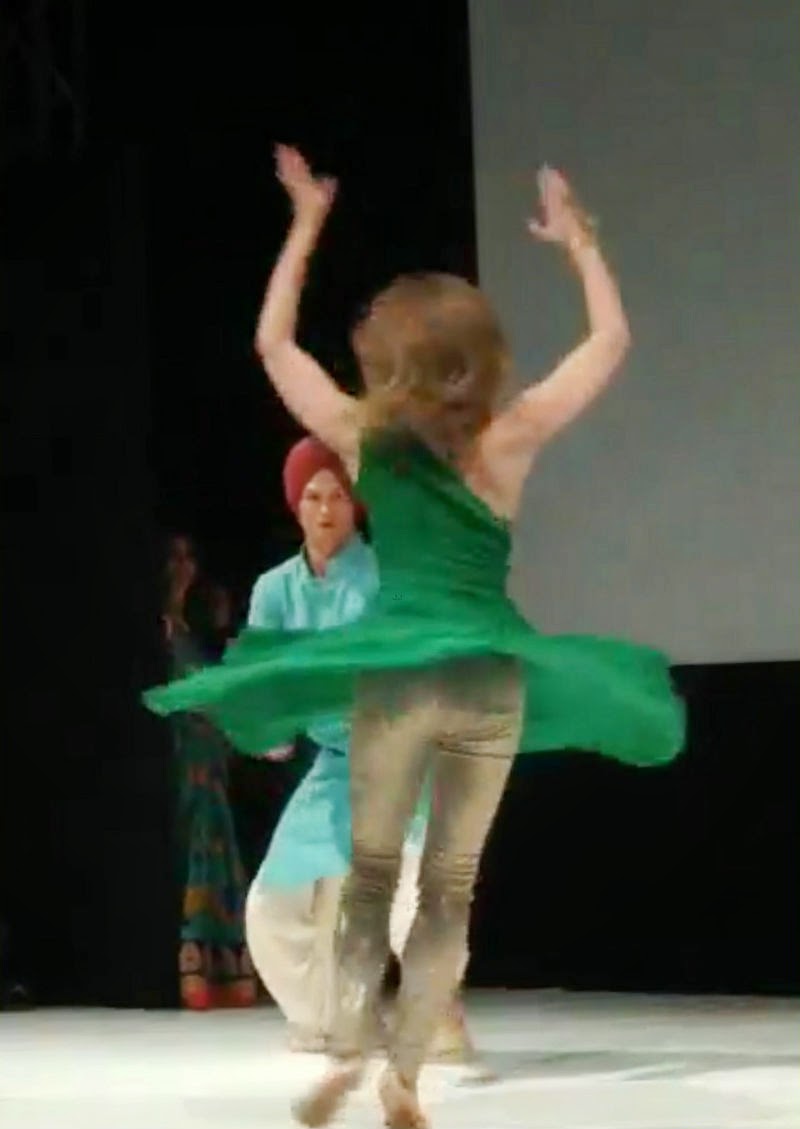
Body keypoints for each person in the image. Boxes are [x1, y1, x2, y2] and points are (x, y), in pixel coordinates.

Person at [145, 147, 684, 1127]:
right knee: (445, 887)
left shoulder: (368, 442)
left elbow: (273, 344)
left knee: (371, 876)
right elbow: (609, 342)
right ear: (476, 363)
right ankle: (403, 1072)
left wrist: (306, 223)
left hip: (396, 674)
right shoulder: (506, 440)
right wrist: (579, 242)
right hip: (483, 674)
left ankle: (353, 1049)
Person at [244, 436, 478, 1064]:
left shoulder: (386, 576)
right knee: (274, 905)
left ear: (356, 505)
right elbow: (264, 679)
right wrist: (269, 726)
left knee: (410, 893)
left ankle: (439, 1009)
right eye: (313, 497)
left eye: (338, 497)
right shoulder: (275, 590)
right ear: (296, 506)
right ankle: (332, 1019)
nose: (325, 511)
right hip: (334, 766)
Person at [163, 534, 256, 1010]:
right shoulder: (156, 634)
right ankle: (192, 961)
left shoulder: (192, 632)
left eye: (188, 557)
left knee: (218, 853)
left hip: (211, 763)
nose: (181, 567)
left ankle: (223, 964)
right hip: (180, 762)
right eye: (172, 558)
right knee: (194, 852)